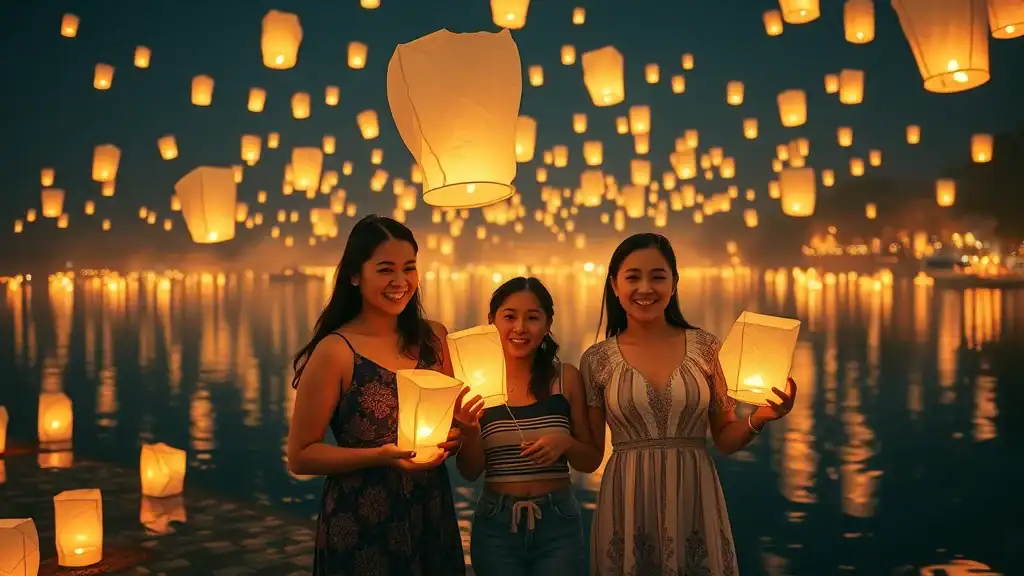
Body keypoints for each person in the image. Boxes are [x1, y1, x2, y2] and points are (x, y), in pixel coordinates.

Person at [580, 233, 797, 575]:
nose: (645, 288)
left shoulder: (706, 348)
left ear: (674, 283)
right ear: (614, 285)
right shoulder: (596, 360)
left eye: (658, 276)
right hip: (626, 496)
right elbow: (590, 454)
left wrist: (760, 417)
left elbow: (724, 437)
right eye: (633, 277)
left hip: (695, 493)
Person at [287, 214, 484, 576]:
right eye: (385, 269)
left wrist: (466, 433)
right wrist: (382, 456)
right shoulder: (337, 351)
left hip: (431, 514)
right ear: (354, 275)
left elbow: (471, 469)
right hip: (360, 521)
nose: (400, 281)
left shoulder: (434, 340)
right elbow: (300, 456)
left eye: (409, 268)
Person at [455, 277, 603, 576]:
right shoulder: (474, 382)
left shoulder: (565, 379)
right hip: (496, 521)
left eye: (532, 318)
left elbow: (590, 461)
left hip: (558, 520)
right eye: (509, 316)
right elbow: (470, 472)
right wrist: (470, 431)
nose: (520, 328)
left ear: (547, 324)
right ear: (491, 322)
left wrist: (567, 443)